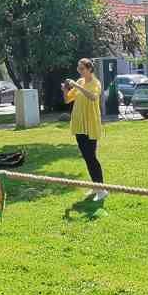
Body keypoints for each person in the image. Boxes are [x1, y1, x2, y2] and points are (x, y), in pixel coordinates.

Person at [62, 59, 106, 200]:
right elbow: (68, 100)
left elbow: (93, 97)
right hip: (79, 125)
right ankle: (95, 187)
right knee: (87, 158)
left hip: (91, 125)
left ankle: (102, 190)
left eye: (82, 68)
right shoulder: (80, 82)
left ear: (89, 69)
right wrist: (65, 90)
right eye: (78, 68)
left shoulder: (95, 83)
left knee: (91, 157)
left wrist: (75, 85)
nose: (79, 71)